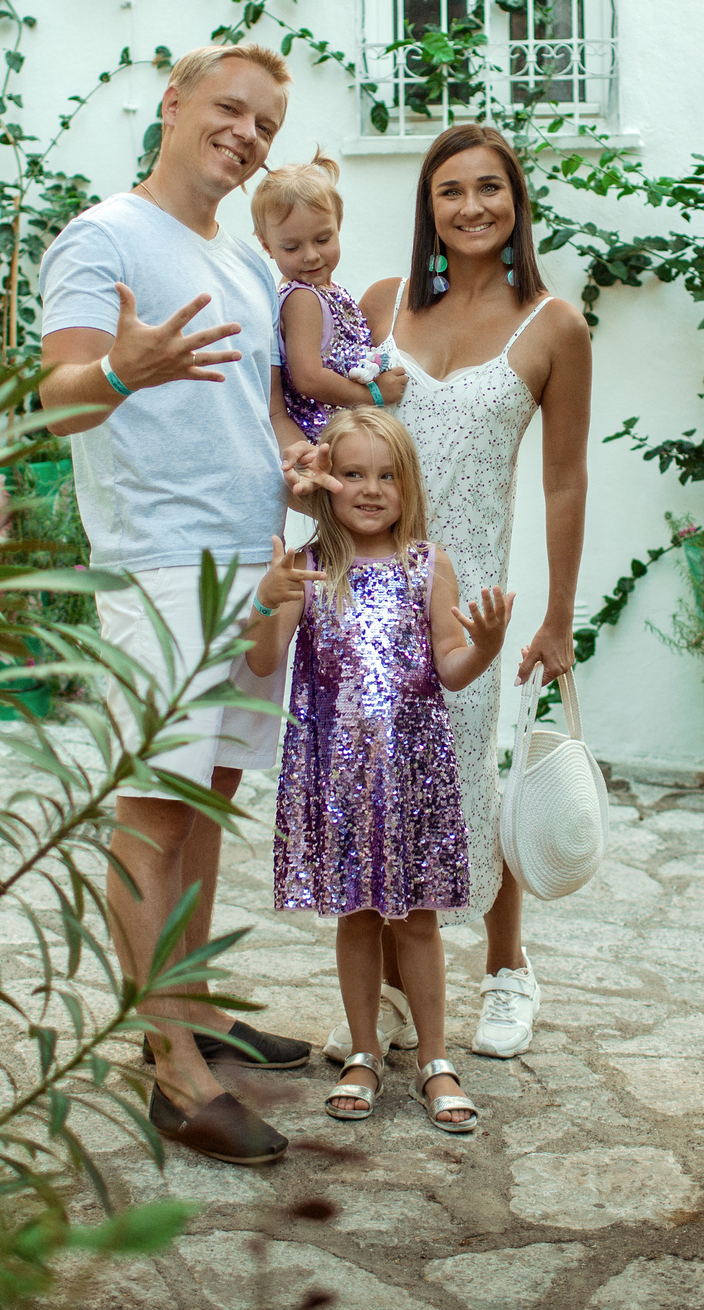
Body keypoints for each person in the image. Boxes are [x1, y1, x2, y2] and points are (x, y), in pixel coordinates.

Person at [37, 41, 313, 1167]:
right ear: (174, 102)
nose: (245, 137)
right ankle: (167, 1064)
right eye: (231, 111)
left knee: (207, 803)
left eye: (265, 128)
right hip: (161, 571)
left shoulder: (242, 262)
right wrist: (118, 373)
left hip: (253, 569)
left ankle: (192, 1005)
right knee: (151, 814)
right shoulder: (101, 238)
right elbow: (55, 405)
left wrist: (298, 465)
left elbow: (258, 412)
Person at [346, 122, 593, 1061]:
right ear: (429, 208)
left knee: (470, 779)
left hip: (473, 592)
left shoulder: (554, 325)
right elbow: (328, 423)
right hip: (371, 590)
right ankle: (397, 993)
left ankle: (505, 968)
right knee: (373, 785)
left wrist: (557, 616)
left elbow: (563, 479)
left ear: (517, 203)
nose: (472, 206)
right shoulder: (380, 302)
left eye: (490, 188)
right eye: (451, 191)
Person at [244, 409, 514, 1131]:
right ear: (325, 483)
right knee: (358, 919)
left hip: (413, 780)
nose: (370, 489)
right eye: (354, 473)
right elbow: (265, 659)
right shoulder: (306, 566)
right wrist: (270, 600)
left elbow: (452, 668)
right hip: (338, 782)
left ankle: (433, 1058)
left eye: (387, 474)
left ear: (409, 484)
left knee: (418, 920)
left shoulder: (428, 563)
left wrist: (485, 647)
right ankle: (364, 1048)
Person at [253, 152, 409, 445]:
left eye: (322, 240)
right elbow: (308, 378)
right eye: (291, 247)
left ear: (339, 225)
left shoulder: (329, 290)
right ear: (267, 245)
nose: (311, 255)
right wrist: (375, 395)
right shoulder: (302, 298)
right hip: (322, 441)